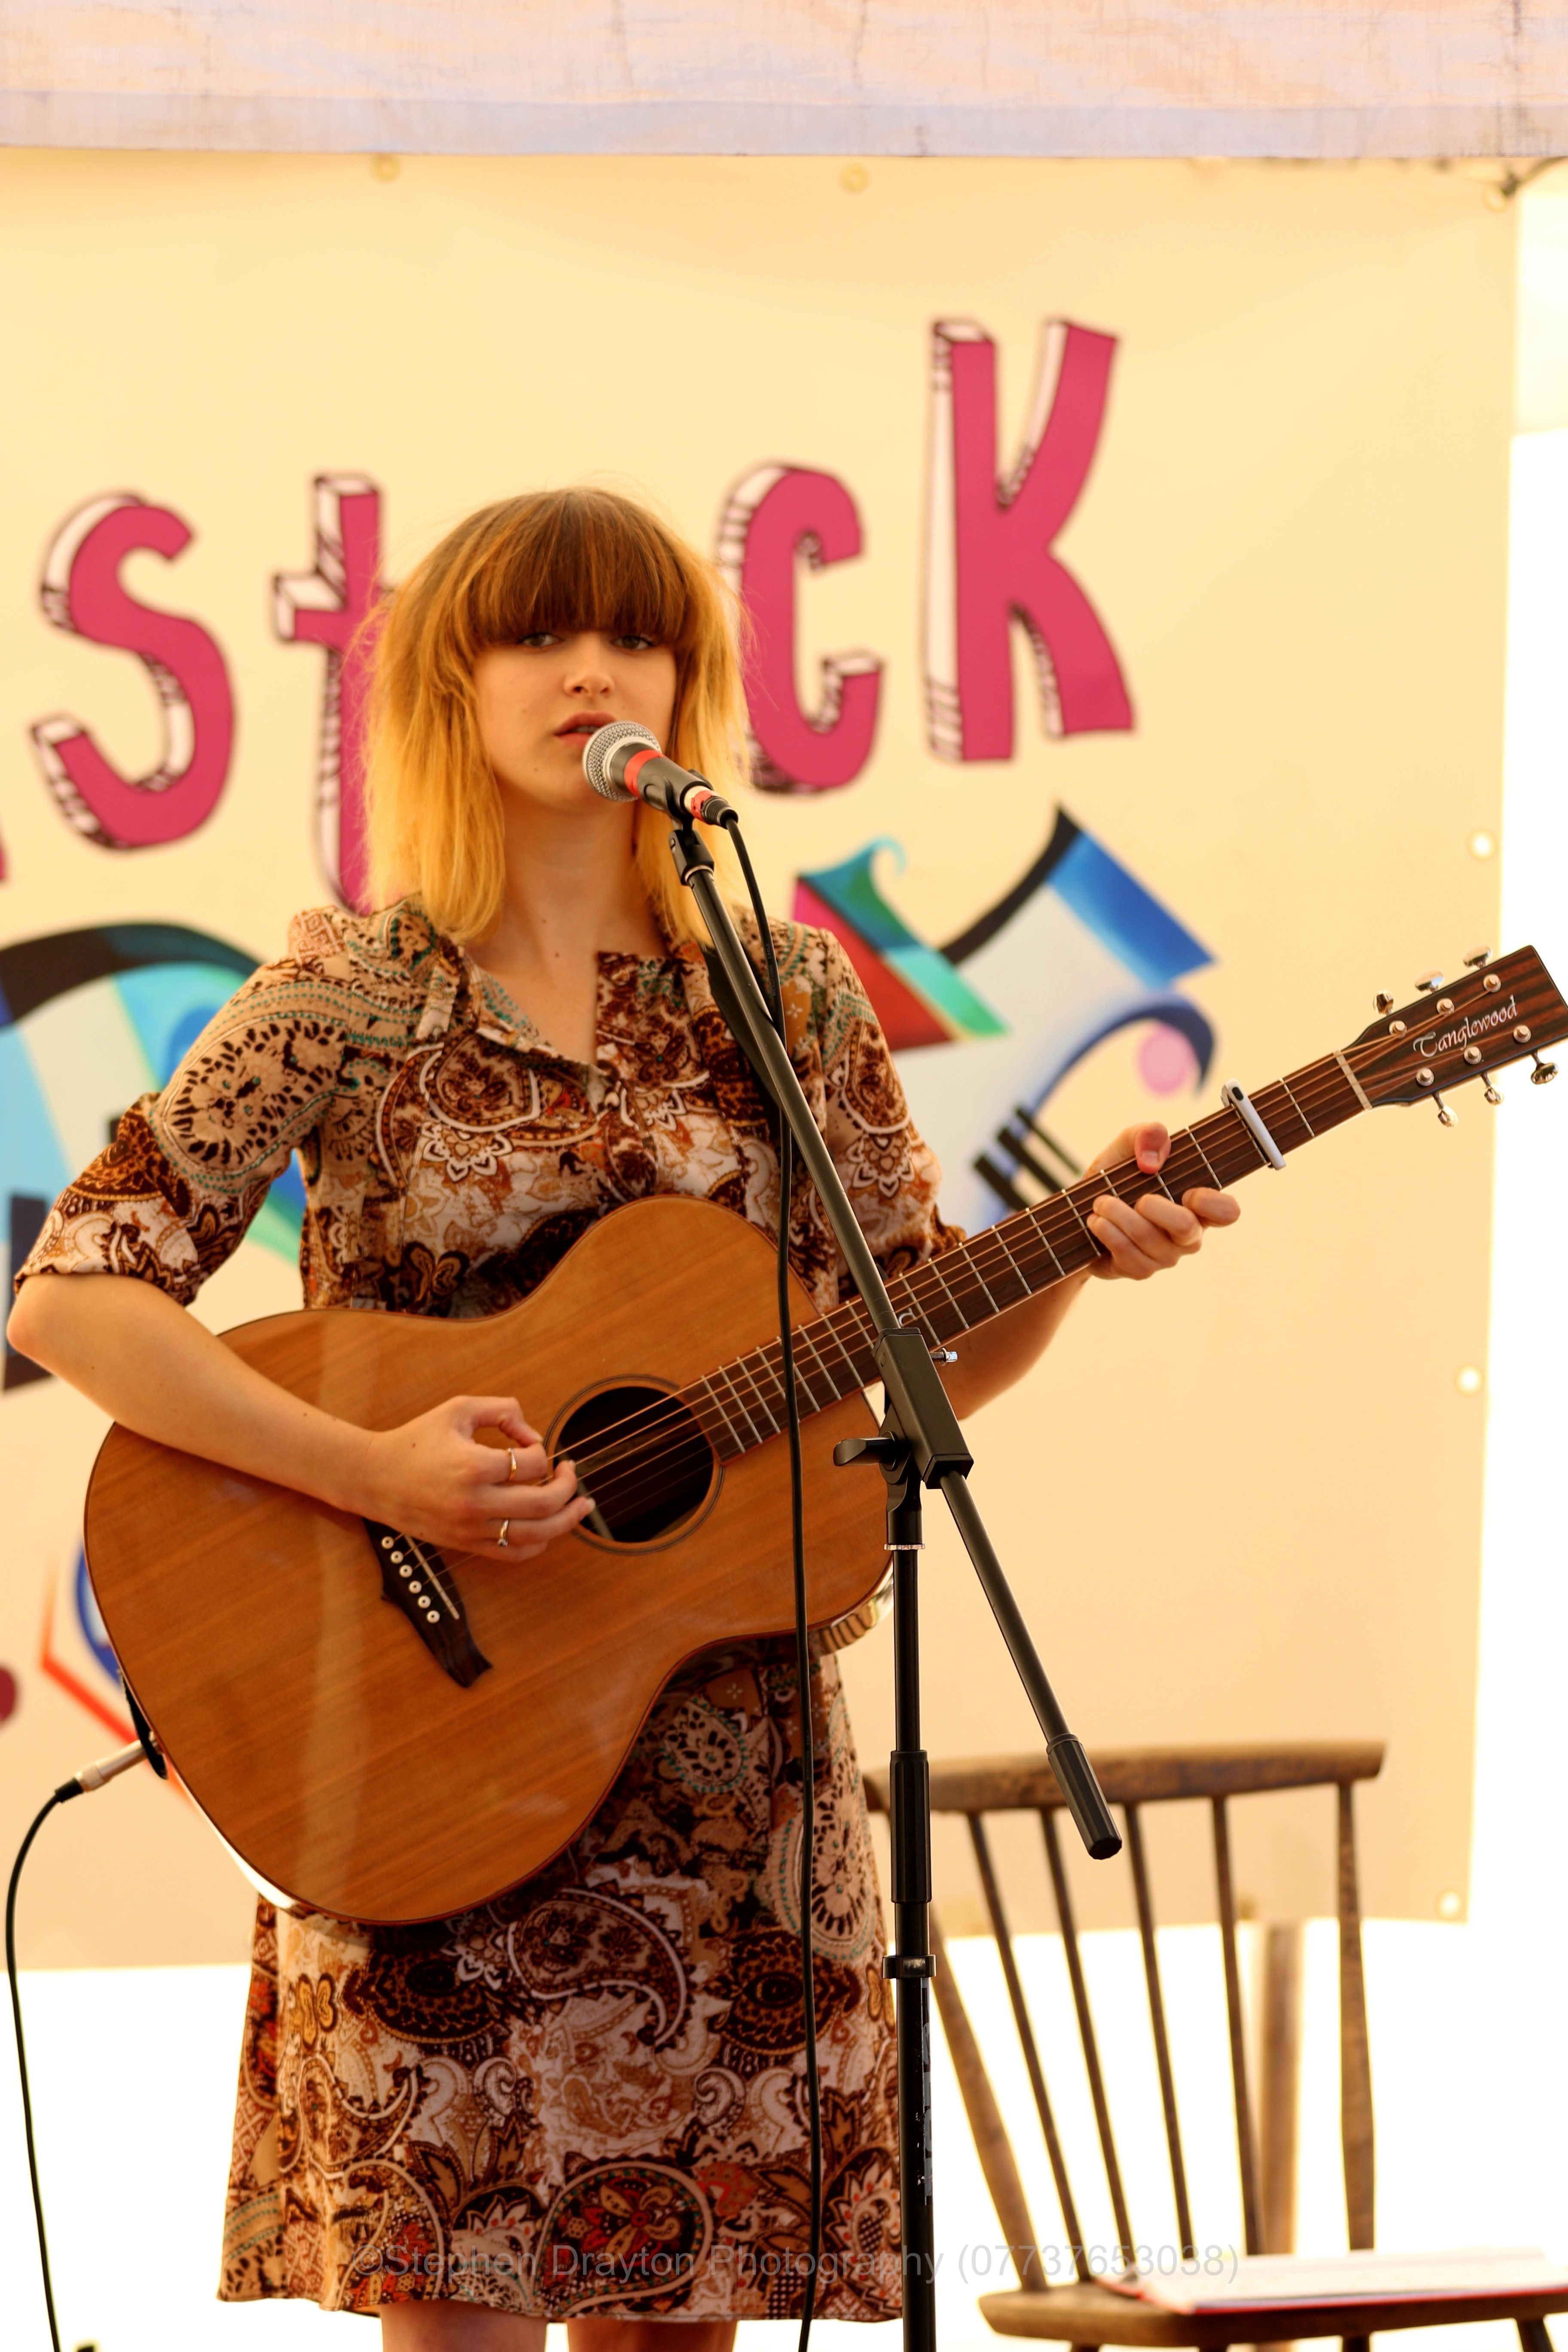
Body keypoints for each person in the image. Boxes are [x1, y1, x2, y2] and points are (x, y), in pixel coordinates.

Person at [7, 487, 1239, 2348]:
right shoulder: (349, 995)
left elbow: (908, 1363)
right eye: (538, 632)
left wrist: (1075, 1252)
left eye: (636, 634)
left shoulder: (788, 997)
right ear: (451, 684)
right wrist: (375, 1468)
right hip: (421, 1743)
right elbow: (77, 1295)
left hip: (728, 1793)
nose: (592, 668)